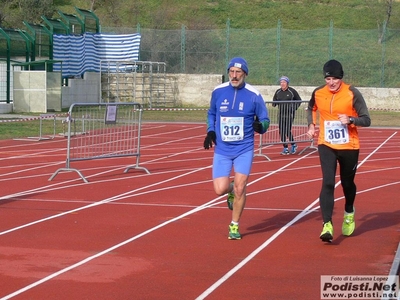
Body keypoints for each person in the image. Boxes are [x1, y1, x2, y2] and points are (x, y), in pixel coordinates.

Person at [203, 57, 270, 240]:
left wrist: (261, 126)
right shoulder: (218, 91)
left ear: (245, 74)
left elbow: (265, 119)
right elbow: (211, 112)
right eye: (231, 72)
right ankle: (230, 190)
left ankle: (234, 225)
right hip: (223, 149)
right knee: (219, 189)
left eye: (238, 72)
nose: (234, 75)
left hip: (244, 148)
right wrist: (210, 131)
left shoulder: (253, 95)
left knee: (241, 188)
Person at [306, 59, 371, 243]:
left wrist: (351, 119)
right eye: (328, 79)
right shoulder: (319, 92)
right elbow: (311, 107)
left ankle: (349, 210)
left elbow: (366, 119)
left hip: (349, 146)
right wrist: (311, 124)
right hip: (326, 144)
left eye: (335, 78)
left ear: (341, 78)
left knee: (347, 183)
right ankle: (327, 224)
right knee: (327, 182)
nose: (331, 82)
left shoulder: (352, 93)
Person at [272, 76, 302, 155]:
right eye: (281, 82)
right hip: (281, 114)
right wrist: (274, 103)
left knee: (287, 130)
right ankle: (285, 148)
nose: (282, 84)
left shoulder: (292, 91)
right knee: (281, 131)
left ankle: (293, 144)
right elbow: (274, 100)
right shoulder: (278, 91)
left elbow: (299, 100)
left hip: (289, 114)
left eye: (284, 82)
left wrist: (294, 108)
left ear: (287, 83)